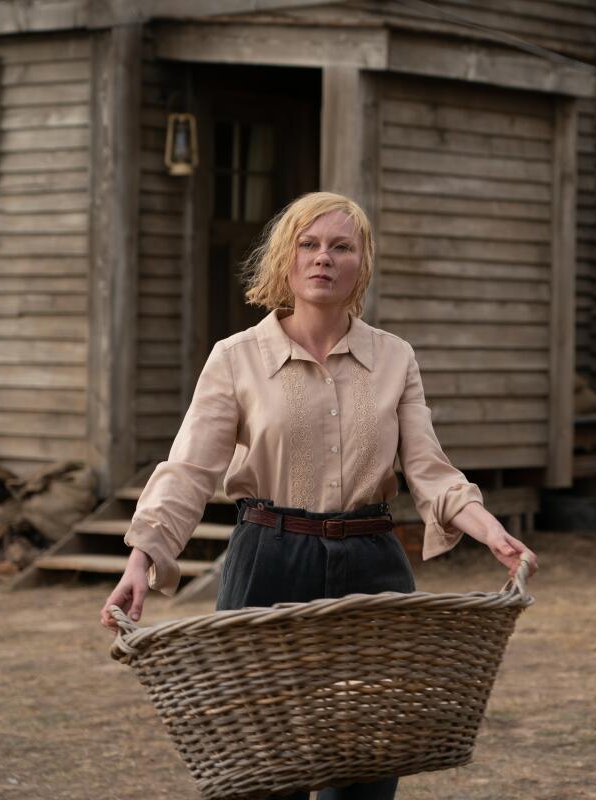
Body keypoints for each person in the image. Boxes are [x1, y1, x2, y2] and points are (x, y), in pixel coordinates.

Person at [100, 191, 537, 800]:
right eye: (308, 245)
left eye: (340, 247)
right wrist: (142, 557)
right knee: (262, 765)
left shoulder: (394, 357)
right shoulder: (235, 358)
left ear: (362, 264)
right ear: (285, 260)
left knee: (369, 765)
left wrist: (491, 531)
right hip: (267, 563)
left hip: (372, 565)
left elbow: (428, 468)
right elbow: (189, 469)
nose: (322, 258)